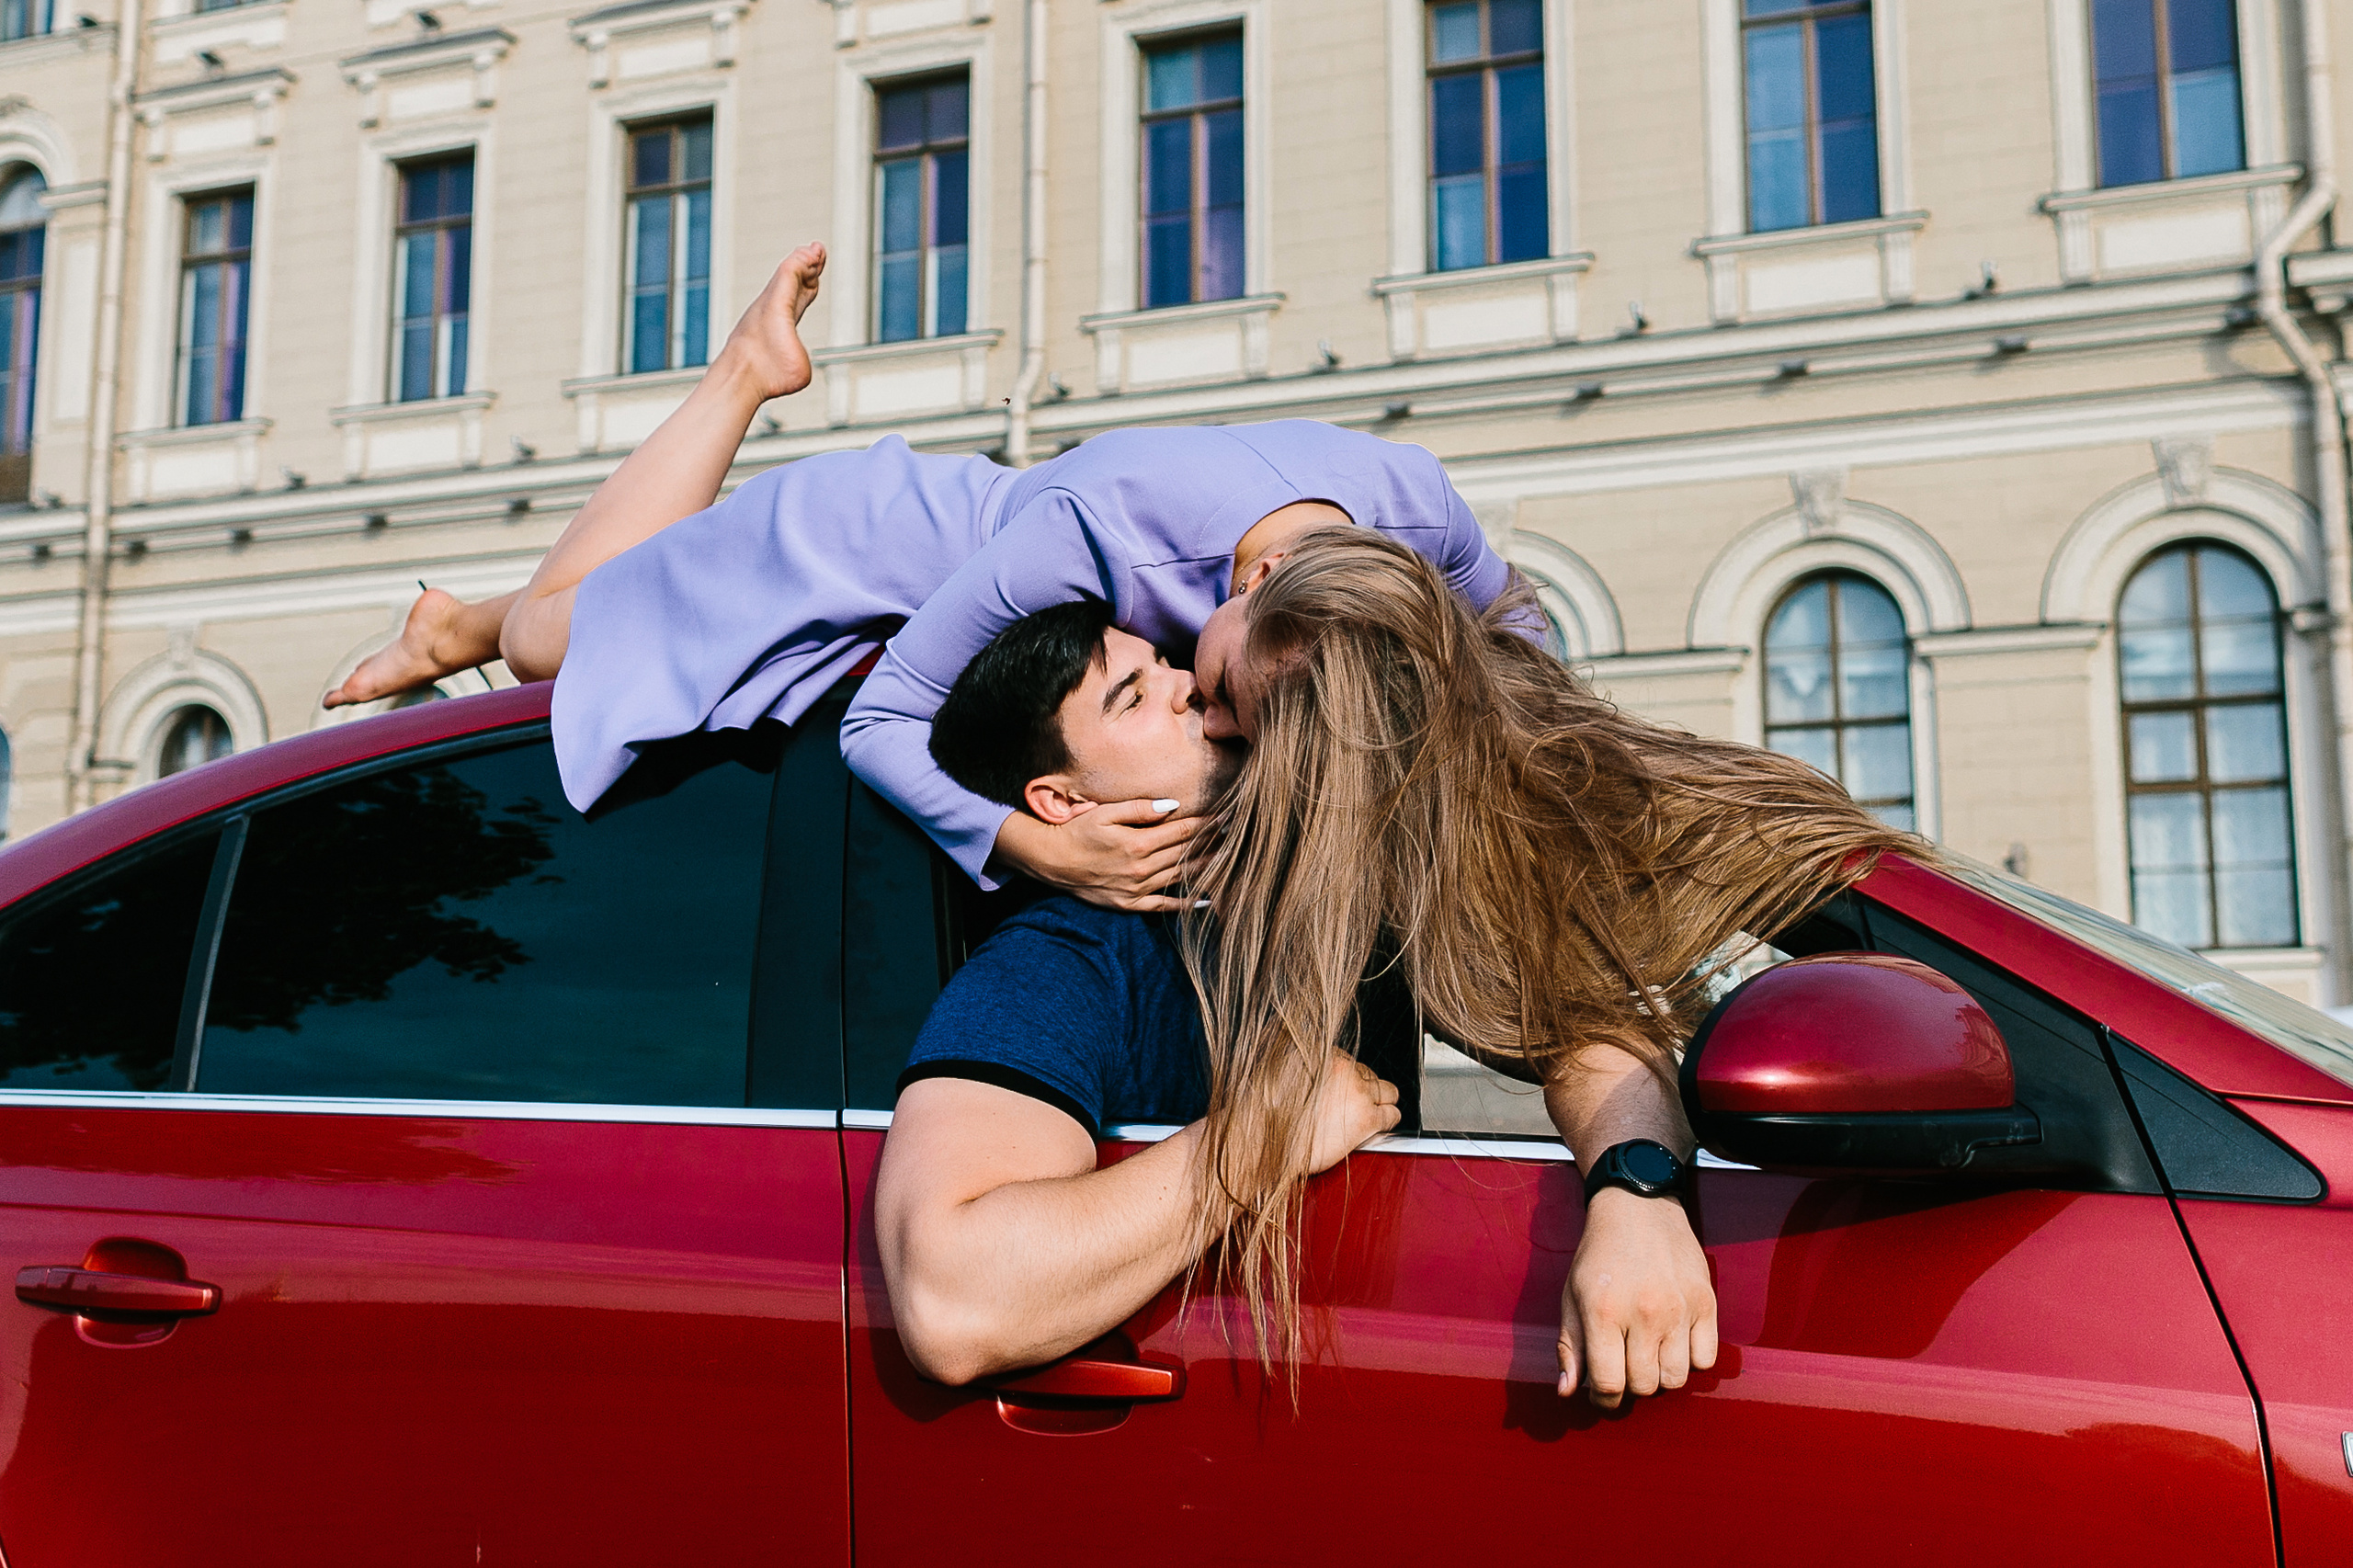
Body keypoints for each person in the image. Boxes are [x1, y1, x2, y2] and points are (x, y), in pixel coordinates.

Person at [324, 244, 1517, 910]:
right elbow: (884, 716)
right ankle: (742, 372)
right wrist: (1027, 842)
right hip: (841, 542)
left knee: (563, 624)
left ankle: (446, 622)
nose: (1206, 714)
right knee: (545, 645)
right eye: (1212, 685)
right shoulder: (1096, 527)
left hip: (953, 540)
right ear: (1247, 576)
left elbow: (1522, 662)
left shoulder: (1417, 505)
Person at [879, 597, 1738, 1409]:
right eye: (1132, 696)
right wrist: (1265, 1133)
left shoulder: (1347, 890)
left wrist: (1639, 1198)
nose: (1185, 684)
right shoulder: (1061, 963)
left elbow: (1590, 1034)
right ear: (1060, 800)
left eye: (1168, 665)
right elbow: (955, 1304)